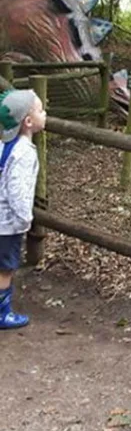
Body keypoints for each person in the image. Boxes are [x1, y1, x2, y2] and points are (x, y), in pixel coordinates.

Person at [0, 89, 46, 329]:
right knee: (5, 269)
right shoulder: (23, 153)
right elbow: (17, 189)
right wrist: (24, 217)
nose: (44, 113)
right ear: (28, 122)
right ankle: (2, 313)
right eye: (40, 110)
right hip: (7, 224)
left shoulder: (3, 145)